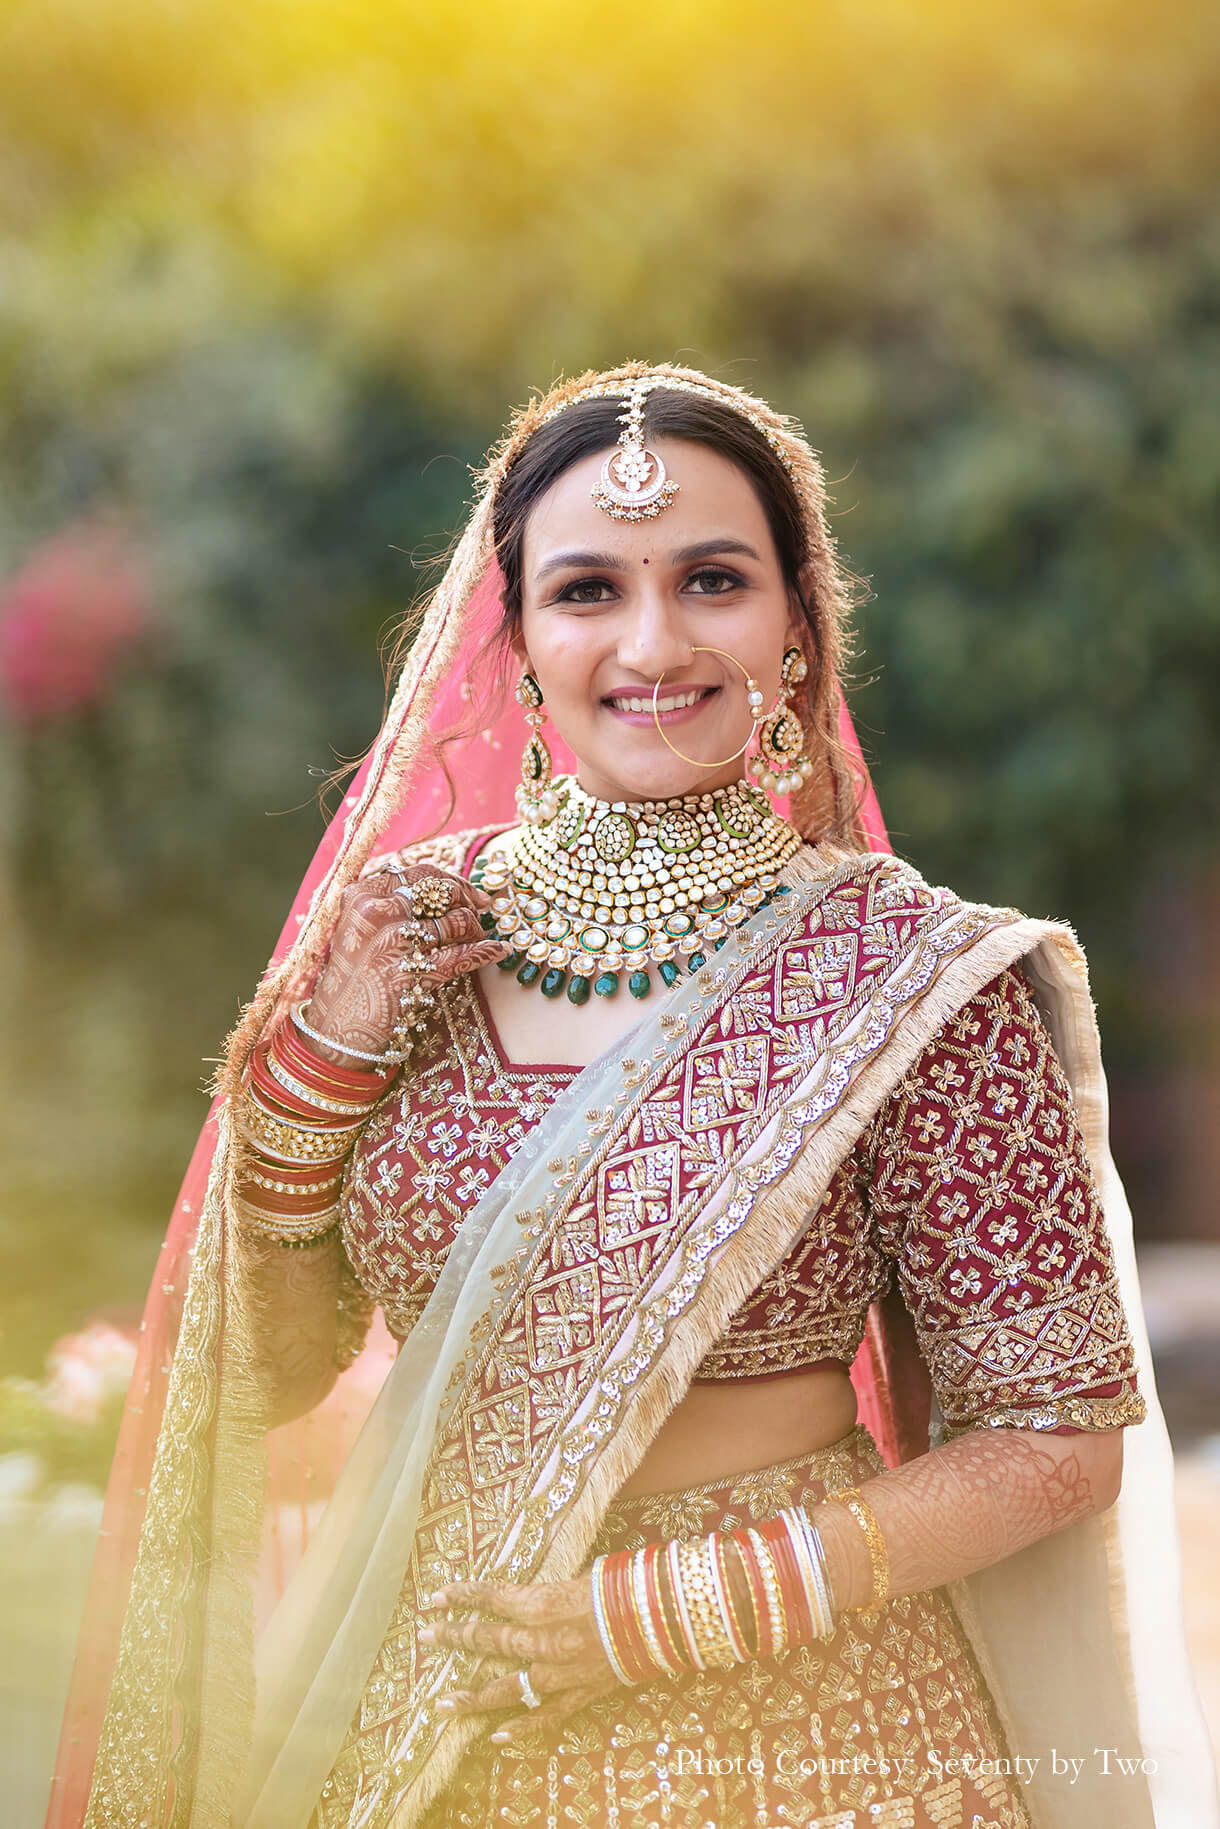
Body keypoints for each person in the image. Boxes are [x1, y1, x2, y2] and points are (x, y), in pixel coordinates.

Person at [46, 363, 1216, 1829]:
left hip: (799, 1723)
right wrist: (317, 1069)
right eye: (589, 591)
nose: (653, 642)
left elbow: (1057, 1441)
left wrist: (657, 1613)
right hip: (424, 1704)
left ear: (797, 628)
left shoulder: (916, 982)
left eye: (712, 581)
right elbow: (268, 1373)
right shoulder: (402, 942)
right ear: (520, 643)